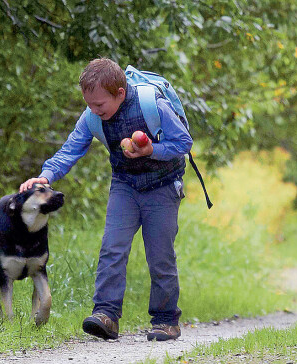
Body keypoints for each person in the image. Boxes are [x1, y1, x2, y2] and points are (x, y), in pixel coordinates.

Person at [20, 58, 192, 341]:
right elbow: (70, 150)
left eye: (99, 105)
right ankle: (106, 315)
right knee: (112, 248)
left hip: (162, 187)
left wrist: (151, 150)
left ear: (120, 93)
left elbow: (183, 143)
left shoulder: (153, 106)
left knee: (160, 255)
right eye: (89, 104)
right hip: (125, 185)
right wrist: (46, 176)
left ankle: (165, 320)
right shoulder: (91, 117)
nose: (94, 110)